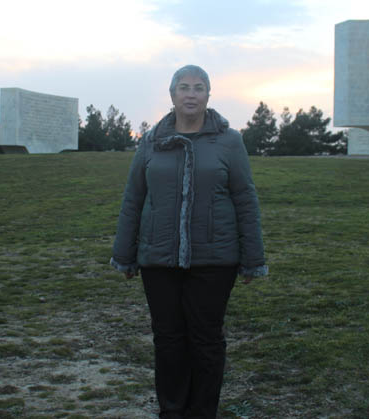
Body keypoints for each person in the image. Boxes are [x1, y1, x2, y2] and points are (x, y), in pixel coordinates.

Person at [110, 64, 267, 419]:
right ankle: (172, 411)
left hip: (214, 259)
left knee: (206, 340)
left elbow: (245, 198)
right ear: (172, 95)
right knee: (168, 340)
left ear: (208, 95)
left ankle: (202, 412)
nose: (191, 94)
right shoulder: (151, 141)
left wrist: (252, 258)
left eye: (198, 87)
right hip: (159, 259)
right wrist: (125, 254)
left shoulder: (229, 141)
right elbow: (134, 198)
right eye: (184, 87)